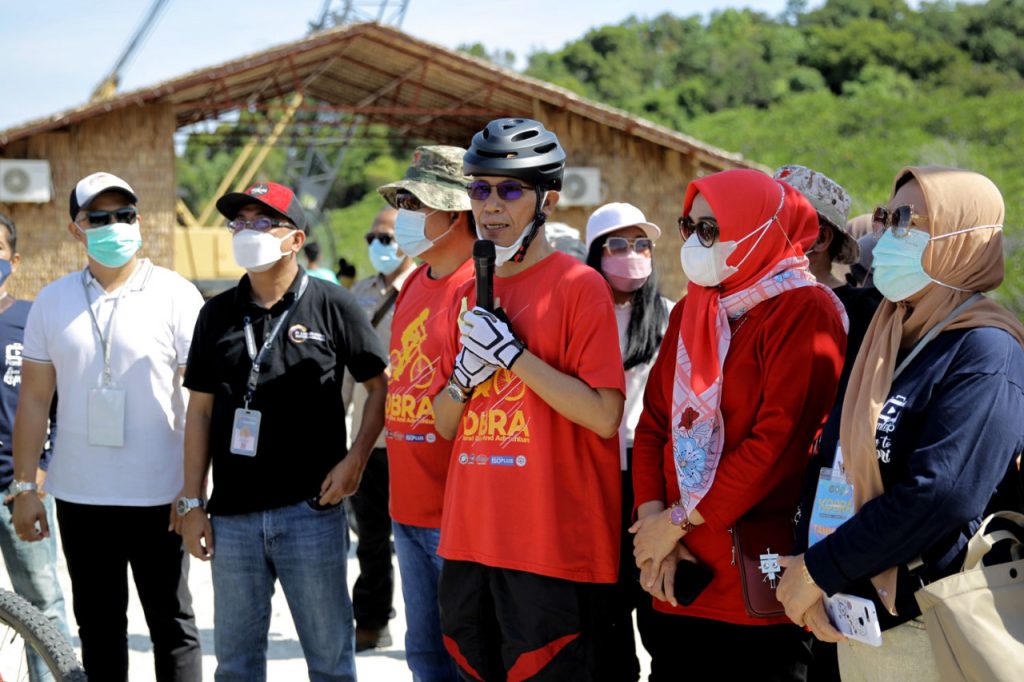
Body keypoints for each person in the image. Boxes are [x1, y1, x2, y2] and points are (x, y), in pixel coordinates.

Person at [777, 167, 1024, 681]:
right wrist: (808, 565)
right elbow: (833, 454)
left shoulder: (987, 349)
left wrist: (820, 569)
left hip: (931, 625)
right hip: (855, 616)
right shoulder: (888, 333)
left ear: (965, 239)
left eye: (908, 219)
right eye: (886, 217)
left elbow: (941, 494)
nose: (888, 233)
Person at [630, 169, 847, 681]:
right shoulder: (693, 309)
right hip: (676, 572)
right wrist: (653, 526)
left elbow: (776, 445)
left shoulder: (804, 309)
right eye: (690, 226)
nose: (695, 241)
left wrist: (675, 523)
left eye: (712, 228)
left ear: (758, 229)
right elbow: (655, 423)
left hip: (754, 584)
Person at [432, 118, 625, 680]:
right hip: (471, 540)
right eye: (480, 189)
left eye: (510, 189)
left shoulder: (578, 285)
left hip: (548, 546)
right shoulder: (467, 289)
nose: (492, 204)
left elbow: (605, 414)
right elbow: (445, 425)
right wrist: (463, 378)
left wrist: (514, 357)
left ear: (548, 200)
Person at [180, 181, 388, 682]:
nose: (246, 231)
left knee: (331, 663)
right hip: (233, 520)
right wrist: (191, 503)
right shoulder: (215, 314)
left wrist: (356, 458)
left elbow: (379, 388)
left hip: (311, 512)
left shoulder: (334, 305)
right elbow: (201, 413)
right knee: (235, 667)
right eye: (239, 222)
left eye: (261, 221)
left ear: (295, 239)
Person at [12, 172, 203, 682]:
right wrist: (25, 486)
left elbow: (199, 402)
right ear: (77, 230)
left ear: (139, 222)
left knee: (173, 624)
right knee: (97, 627)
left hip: (161, 496)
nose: (114, 225)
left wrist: (193, 493)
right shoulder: (52, 302)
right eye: (99, 218)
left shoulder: (177, 295)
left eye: (124, 216)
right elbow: (34, 400)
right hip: (81, 498)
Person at [376, 144, 476, 681]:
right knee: (425, 658)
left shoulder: (481, 289)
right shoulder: (415, 282)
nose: (404, 217)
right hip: (407, 506)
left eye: (416, 203)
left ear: (456, 214)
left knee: (464, 659)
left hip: (456, 515)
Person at [583, 202, 670, 682]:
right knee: (605, 601)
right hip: (593, 470)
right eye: (618, 244)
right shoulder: (577, 312)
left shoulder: (669, 316)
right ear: (596, 253)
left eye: (641, 245)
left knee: (655, 595)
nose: (632, 254)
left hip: (648, 470)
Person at [0, 212, 71, 682]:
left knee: (40, 603)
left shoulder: (34, 321)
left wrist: (45, 466)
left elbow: (63, 403)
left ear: (14, 259)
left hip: (17, 489)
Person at [343, 204, 412, 652]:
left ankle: (441, 623)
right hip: (370, 439)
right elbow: (346, 372)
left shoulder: (433, 287)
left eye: (385, 239)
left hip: (417, 439)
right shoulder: (357, 296)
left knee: (425, 539)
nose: (377, 247)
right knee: (370, 538)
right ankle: (371, 620)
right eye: (372, 239)